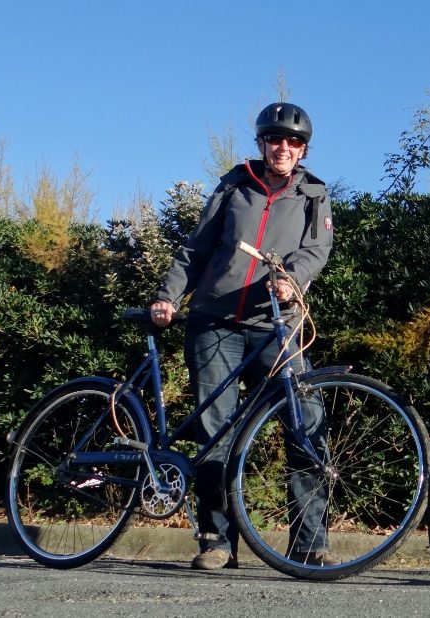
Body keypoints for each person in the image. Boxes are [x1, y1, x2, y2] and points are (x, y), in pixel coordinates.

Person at [149, 102, 335, 570]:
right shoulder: (234, 185)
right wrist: (170, 295)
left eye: (293, 142)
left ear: (303, 149)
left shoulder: (314, 194)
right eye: (275, 139)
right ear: (261, 144)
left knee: (305, 422)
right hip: (214, 323)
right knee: (217, 433)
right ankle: (216, 541)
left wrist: (292, 278)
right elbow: (197, 247)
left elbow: (317, 250)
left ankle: (309, 542)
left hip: (276, 324)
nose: (283, 148)